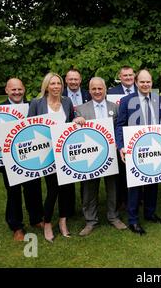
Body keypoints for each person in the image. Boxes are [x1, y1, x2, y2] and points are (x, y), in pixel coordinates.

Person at [115, 69, 161, 235]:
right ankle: (133, 220)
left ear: (152, 83)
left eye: (148, 82)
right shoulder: (126, 101)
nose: (146, 85)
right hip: (135, 148)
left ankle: (150, 213)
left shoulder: (157, 98)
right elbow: (119, 125)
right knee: (135, 185)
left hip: (155, 147)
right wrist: (121, 146)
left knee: (153, 181)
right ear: (136, 83)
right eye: (142, 82)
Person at [73, 77, 128, 236]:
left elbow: (120, 128)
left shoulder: (115, 108)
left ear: (105, 90)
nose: (97, 91)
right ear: (89, 90)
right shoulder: (81, 110)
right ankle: (90, 220)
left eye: (100, 88)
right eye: (94, 89)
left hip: (111, 154)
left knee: (113, 187)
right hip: (90, 157)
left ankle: (113, 216)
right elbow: (73, 132)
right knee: (89, 188)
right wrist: (75, 121)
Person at [28, 72, 75, 243]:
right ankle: (47, 222)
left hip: (65, 152)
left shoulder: (67, 101)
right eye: (52, 83)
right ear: (46, 86)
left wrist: (78, 119)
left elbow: (71, 121)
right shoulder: (36, 103)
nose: (56, 86)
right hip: (47, 154)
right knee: (53, 189)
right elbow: (29, 127)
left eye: (59, 83)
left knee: (66, 190)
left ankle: (63, 221)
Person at [0, 78, 44, 241]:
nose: (17, 92)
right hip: (9, 160)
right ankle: (16, 226)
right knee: (14, 192)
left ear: (24, 89)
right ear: (7, 90)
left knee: (34, 189)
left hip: (32, 156)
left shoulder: (34, 105)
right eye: (13, 90)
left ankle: (37, 219)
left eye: (19, 89)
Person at [62, 69, 91, 217]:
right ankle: (69, 209)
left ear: (80, 80)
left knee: (85, 173)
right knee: (68, 176)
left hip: (85, 137)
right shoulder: (60, 96)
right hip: (66, 139)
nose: (73, 82)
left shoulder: (88, 94)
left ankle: (86, 205)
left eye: (76, 79)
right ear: (66, 80)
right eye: (70, 79)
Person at [108, 65, 137, 210]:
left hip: (138, 136)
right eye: (125, 75)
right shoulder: (112, 93)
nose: (128, 78)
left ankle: (138, 198)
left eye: (131, 75)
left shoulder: (142, 91)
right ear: (120, 77)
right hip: (122, 135)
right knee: (122, 170)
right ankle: (122, 199)